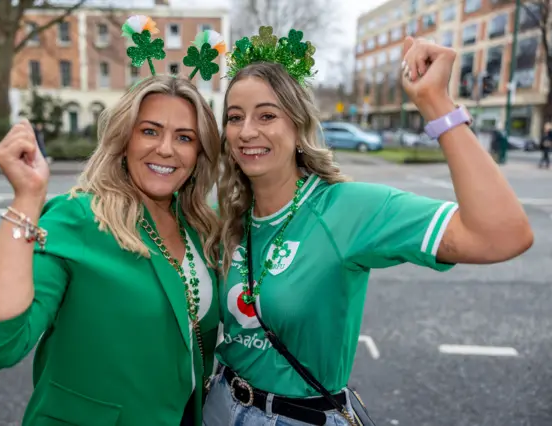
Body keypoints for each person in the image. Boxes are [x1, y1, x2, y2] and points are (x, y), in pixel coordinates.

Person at [203, 30, 534, 426]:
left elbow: (501, 235)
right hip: (220, 404)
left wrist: (436, 103)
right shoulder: (224, 212)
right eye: (235, 117)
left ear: (298, 125)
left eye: (267, 115)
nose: (246, 131)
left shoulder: (347, 208)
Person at [0, 76, 223, 425]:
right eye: (150, 131)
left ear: (198, 154)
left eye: (184, 138)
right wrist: (27, 199)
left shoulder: (201, 226)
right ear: (124, 140)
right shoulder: (78, 217)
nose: (166, 149)